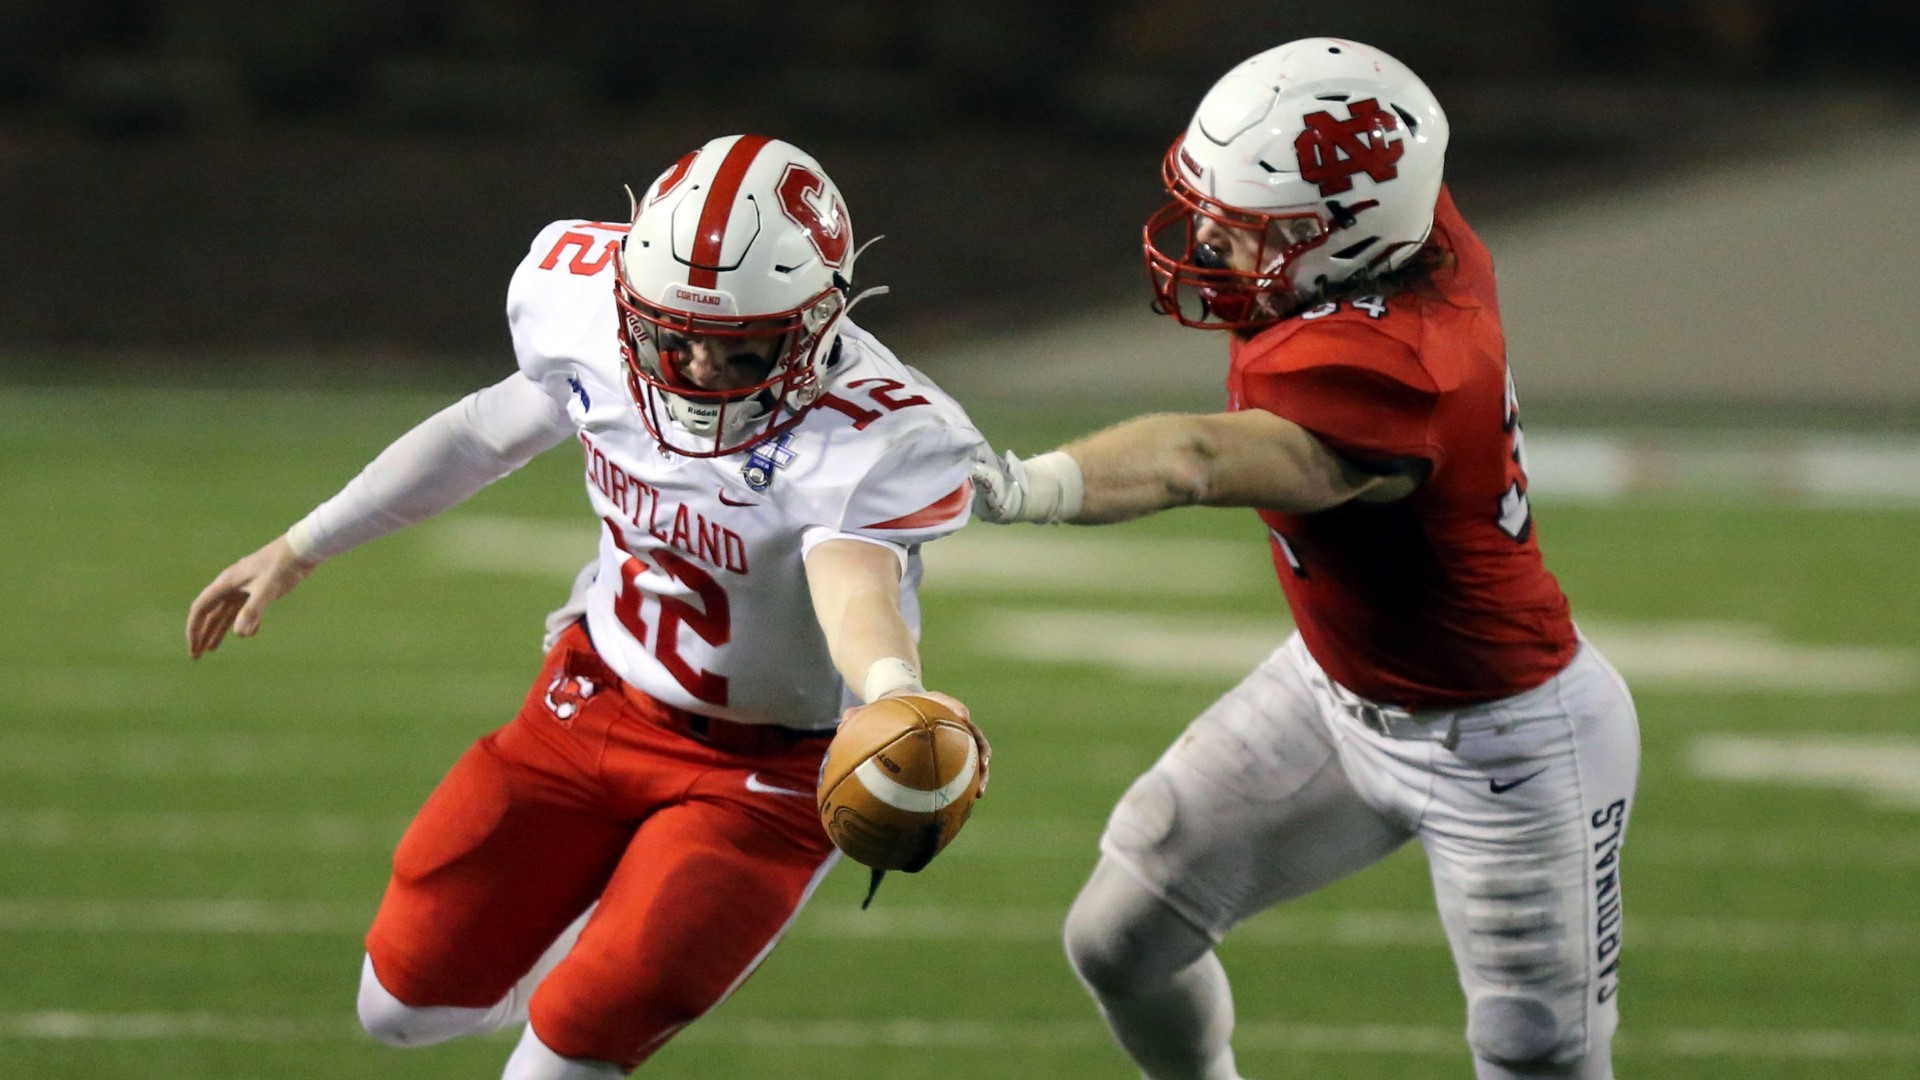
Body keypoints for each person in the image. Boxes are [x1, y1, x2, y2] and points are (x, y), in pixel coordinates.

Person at [186, 134, 988, 1079]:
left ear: (816, 325)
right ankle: (582, 952)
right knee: (398, 1009)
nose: (691, 370)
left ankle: (593, 979)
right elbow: (489, 428)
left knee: (561, 1060)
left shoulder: (883, 431)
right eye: (670, 336)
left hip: (768, 772)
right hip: (593, 698)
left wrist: (895, 691)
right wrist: (303, 543)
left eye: (737, 351)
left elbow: (851, 582)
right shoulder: (585, 303)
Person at [972, 38, 1639, 1080]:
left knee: (1536, 1053)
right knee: (1122, 939)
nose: (1204, 241)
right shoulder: (1403, 229)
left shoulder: (1397, 367)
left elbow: (1193, 461)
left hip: (1505, 742)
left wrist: (1022, 485)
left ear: (1343, 240)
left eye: (1242, 230)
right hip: (1336, 689)